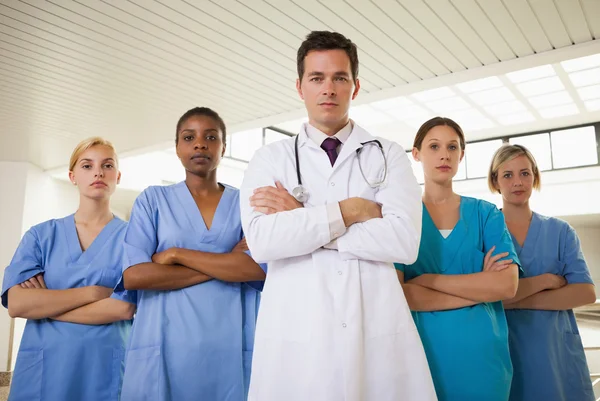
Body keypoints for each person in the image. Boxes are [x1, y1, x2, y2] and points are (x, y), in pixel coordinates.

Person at [240, 31, 436, 401]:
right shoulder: (270, 159)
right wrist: (353, 210)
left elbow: (404, 242)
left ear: (355, 86)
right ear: (300, 87)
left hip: (374, 331)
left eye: (339, 78)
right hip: (296, 338)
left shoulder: (388, 155)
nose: (328, 88)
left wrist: (304, 218)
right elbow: (264, 243)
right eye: (316, 78)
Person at [118, 107, 266, 401]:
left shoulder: (245, 204)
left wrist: (176, 253)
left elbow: (257, 270)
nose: (200, 144)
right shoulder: (153, 200)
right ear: (177, 148)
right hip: (163, 348)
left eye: (211, 137)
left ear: (223, 148)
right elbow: (135, 275)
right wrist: (225, 263)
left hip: (228, 349)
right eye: (189, 137)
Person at [395, 117, 520, 401]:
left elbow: (506, 287)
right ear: (416, 154)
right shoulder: (402, 218)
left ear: (461, 154)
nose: (444, 155)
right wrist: (479, 290)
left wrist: (429, 280)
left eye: (453, 147)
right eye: (434, 146)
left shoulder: (486, 214)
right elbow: (400, 295)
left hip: (484, 361)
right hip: (421, 358)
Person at [1, 137, 135, 401]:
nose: (98, 172)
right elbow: (17, 304)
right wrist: (95, 292)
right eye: (87, 166)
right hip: (44, 370)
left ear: (117, 176)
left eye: (107, 165)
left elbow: (124, 307)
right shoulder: (41, 236)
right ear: (73, 176)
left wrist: (45, 305)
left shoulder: (133, 239)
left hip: (103, 370)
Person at [489, 144, 596, 401]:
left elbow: (585, 292)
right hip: (506, 351)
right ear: (495, 181)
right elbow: (485, 296)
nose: (518, 182)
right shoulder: (485, 233)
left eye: (525, 173)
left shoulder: (561, 231)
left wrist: (514, 302)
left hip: (556, 354)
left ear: (535, 176)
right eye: (508, 175)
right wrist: (545, 281)